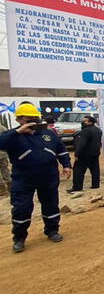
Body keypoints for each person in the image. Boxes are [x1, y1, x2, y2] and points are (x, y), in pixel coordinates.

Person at [0, 103, 71, 253]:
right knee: (22, 208)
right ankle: (19, 238)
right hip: (23, 179)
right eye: (28, 119)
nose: (33, 121)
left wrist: (66, 165)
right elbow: (1, 143)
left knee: (51, 205)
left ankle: (52, 230)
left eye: (35, 118)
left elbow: (61, 149)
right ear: (19, 120)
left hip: (49, 177)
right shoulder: (12, 136)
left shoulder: (49, 134)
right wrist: (19, 132)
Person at [68, 116, 102, 193]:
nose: (83, 122)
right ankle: (95, 184)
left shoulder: (85, 131)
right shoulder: (98, 130)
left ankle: (77, 187)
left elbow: (81, 144)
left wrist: (77, 154)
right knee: (95, 170)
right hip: (95, 153)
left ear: (91, 122)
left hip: (84, 154)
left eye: (85, 121)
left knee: (78, 170)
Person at [0, 123, 11, 197]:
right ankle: (10, 187)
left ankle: (2, 189)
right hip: (3, 153)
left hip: (2, 152)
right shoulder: (2, 128)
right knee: (5, 170)